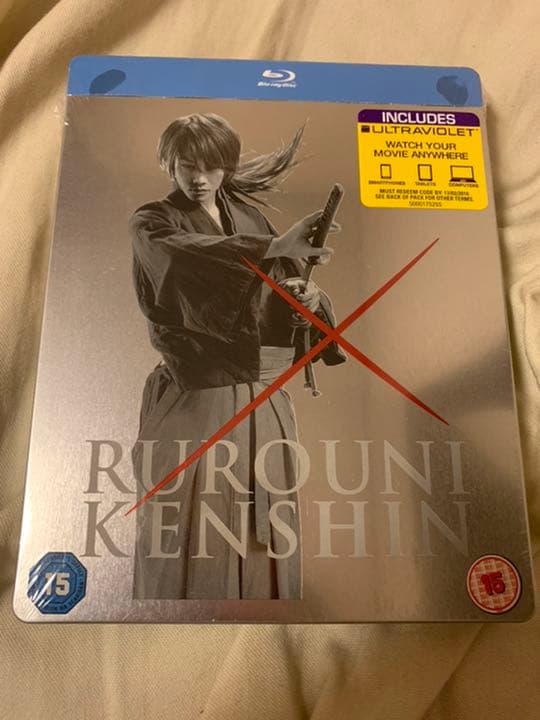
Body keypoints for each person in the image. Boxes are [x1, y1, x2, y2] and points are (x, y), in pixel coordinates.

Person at [129, 112, 345, 600]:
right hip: (196, 401)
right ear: (169, 163)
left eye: (212, 167)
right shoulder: (151, 223)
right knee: (189, 528)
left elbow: (280, 290)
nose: (199, 178)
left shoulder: (249, 219)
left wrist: (306, 299)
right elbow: (184, 259)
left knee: (261, 532)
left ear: (226, 167)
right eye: (187, 165)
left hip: (263, 399)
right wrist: (273, 246)